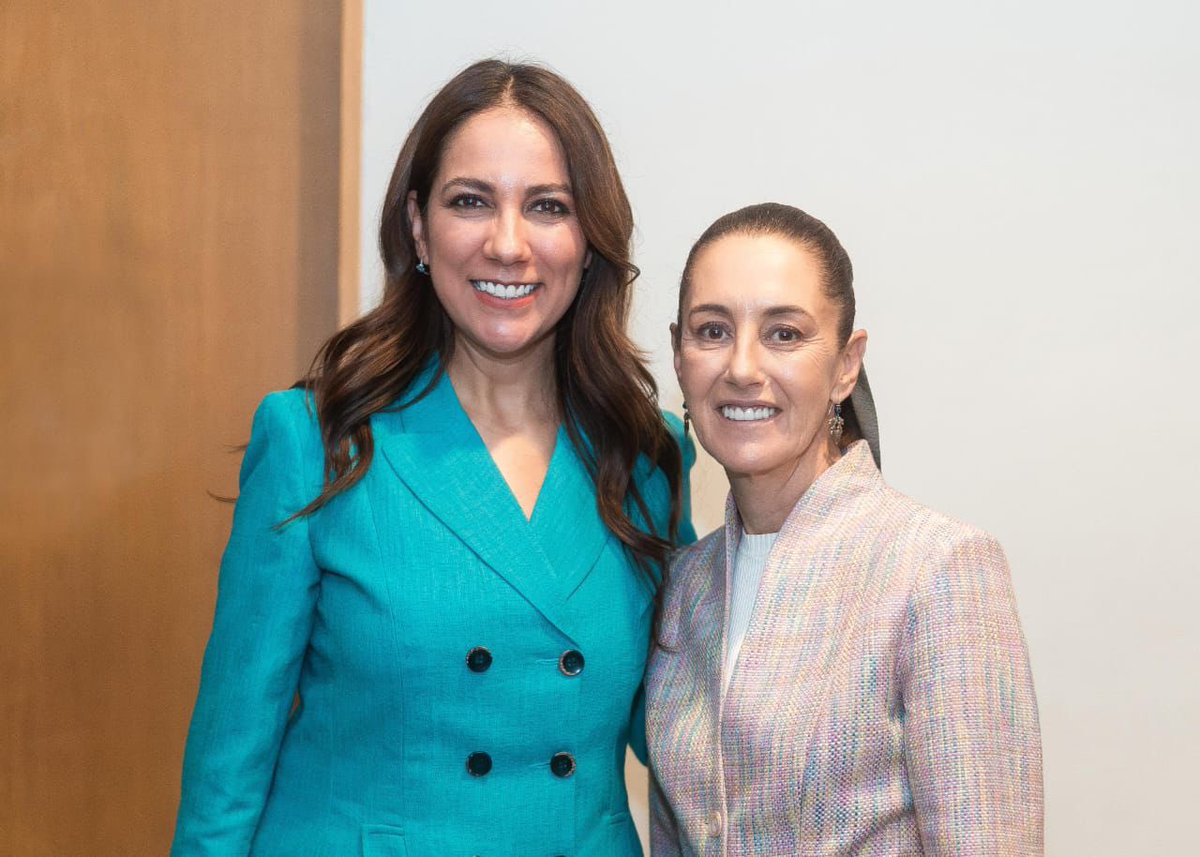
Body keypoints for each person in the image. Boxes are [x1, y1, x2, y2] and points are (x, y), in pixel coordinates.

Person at [172, 59, 692, 856]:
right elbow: (228, 764)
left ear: (589, 242)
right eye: (470, 201)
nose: (508, 243)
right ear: (418, 227)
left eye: (548, 206)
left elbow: (684, 734)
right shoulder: (317, 439)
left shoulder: (648, 455)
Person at [646, 203, 1042, 855]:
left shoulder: (937, 567)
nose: (742, 366)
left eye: (784, 334)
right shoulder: (683, 585)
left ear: (846, 364)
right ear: (679, 356)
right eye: (712, 330)